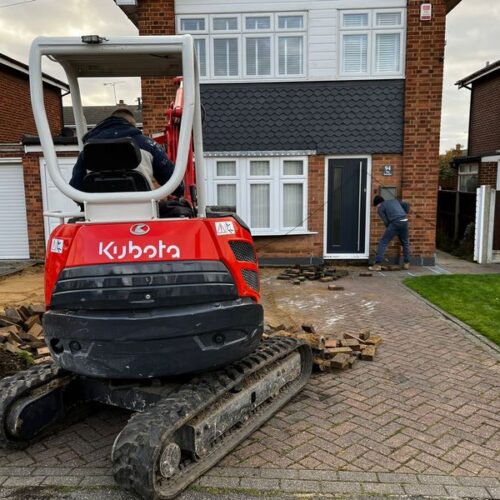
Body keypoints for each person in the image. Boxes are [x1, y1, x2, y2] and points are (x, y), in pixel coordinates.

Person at [69, 108, 183, 196]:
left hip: (98, 215)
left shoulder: (89, 149)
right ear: (132, 126)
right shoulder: (148, 144)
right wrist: (181, 192)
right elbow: (172, 181)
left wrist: (86, 206)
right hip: (143, 212)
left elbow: (75, 186)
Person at [369, 195, 411, 271]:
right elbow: (406, 204)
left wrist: (390, 228)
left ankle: (377, 265)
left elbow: (386, 221)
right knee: (405, 243)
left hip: (395, 223)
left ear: (378, 204)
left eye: (376, 206)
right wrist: (404, 213)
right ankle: (406, 264)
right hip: (405, 221)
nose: (377, 208)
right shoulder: (394, 201)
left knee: (383, 242)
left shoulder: (380, 208)